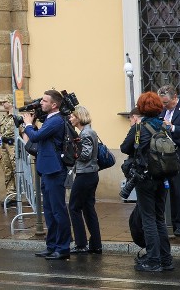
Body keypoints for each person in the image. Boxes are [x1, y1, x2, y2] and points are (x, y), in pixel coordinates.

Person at [121, 91, 173, 272]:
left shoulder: (139, 128)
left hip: (145, 178)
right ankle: (166, 259)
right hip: (163, 177)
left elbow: (124, 147)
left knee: (148, 219)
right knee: (159, 218)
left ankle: (153, 260)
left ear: (141, 108)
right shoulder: (164, 126)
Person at [22, 89, 71, 260]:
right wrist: (32, 123)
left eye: (44, 101)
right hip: (46, 168)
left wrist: (28, 124)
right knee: (49, 211)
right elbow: (41, 137)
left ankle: (63, 247)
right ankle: (52, 246)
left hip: (55, 170)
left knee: (58, 210)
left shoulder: (56, 120)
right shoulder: (49, 119)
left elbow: (35, 137)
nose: (41, 103)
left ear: (54, 105)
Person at [157, 84, 180, 237]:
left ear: (175, 98)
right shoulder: (163, 111)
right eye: (162, 103)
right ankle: (171, 221)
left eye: (166, 102)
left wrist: (172, 128)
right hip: (165, 155)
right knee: (169, 189)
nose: (164, 105)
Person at [68, 105, 102, 254]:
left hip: (85, 175)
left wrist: (73, 150)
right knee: (88, 209)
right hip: (90, 174)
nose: (70, 118)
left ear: (79, 117)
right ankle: (96, 244)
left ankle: (81, 244)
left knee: (74, 207)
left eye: (72, 116)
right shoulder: (87, 132)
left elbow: (85, 155)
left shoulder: (86, 134)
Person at [0, 95, 17, 207]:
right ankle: (11, 195)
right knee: (7, 170)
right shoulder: (3, 118)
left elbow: (23, 133)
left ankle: (18, 195)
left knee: (16, 171)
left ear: (11, 102)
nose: (2, 104)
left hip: (13, 146)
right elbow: (0, 134)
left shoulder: (16, 117)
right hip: (4, 146)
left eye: (5, 102)